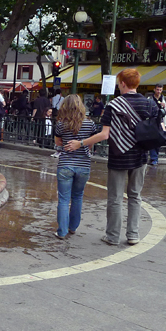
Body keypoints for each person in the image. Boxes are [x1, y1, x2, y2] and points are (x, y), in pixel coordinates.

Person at [65, 68, 156, 246]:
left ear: (122, 83)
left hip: (119, 157)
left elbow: (105, 134)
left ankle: (113, 236)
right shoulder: (149, 104)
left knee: (115, 197)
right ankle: (133, 235)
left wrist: (81, 143)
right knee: (135, 196)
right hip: (140, 156)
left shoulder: (113, 105)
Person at [53, 95, 97, 238]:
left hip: (65, 164)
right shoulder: (90, 124)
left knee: (64, 199)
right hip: (83, 165)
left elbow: (58, 142)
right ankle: (73, 227)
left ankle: (62, 231)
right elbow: (92, 142)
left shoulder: (61, 124)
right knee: (78, 196)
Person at [147, 83, 166, 165]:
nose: (158, 91)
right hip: (152, 122)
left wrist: (165, 106)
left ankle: (155, 157)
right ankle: (153, 158)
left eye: (160, 90)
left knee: (159, 140)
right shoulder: (150, 98)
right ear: (154, 89)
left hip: (162, 123)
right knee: (151, 140)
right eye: (157, 89)